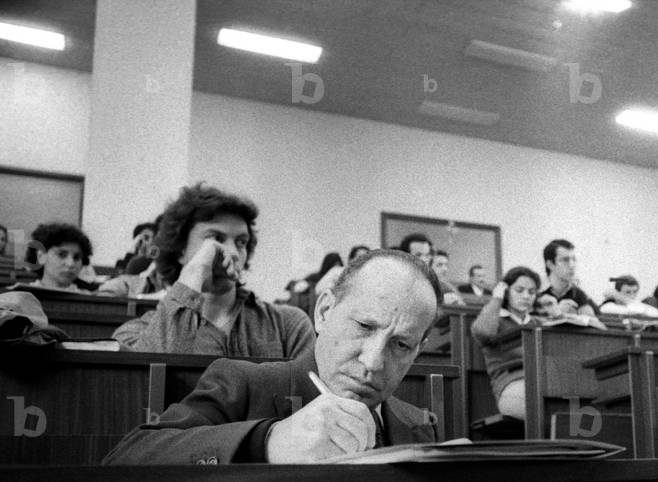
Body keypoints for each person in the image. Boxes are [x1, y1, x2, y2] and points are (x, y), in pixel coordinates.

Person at [102, 250, 443, 465]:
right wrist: (267, 442)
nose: (373, 362)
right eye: (365, 326)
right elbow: (127, 458)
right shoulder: (243, 385)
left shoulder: (418, 425)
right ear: (324, 311)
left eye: (401, 345)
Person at [113, 183, 314, 358]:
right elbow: (151, 379)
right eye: (215, 239)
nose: (233, 252)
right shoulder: (135, 334)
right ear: (180, 250)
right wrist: (195, 272)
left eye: (241, 242)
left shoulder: (288, 326)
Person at [470, 266, 541, 420]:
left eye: (531, 292)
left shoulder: (537, 323)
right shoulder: (497, 320)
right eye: (519, 290)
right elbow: (483, 332)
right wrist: (497, 299)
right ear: (507, 292)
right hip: (511, 385)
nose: (526, 296)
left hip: (542, 382)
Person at [23, 223, 97, 292]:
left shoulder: (90, 299)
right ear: (41, 256)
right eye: (61, 255)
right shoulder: (22, 297)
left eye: (76, 257)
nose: (70, 264)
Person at [538, 239, 598, 317]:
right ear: (550, 265)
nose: (572, 265)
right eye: (565, 260)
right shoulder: (533, 293)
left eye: (574, 259)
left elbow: (598, 319)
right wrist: (556, 313)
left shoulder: (578, 294)